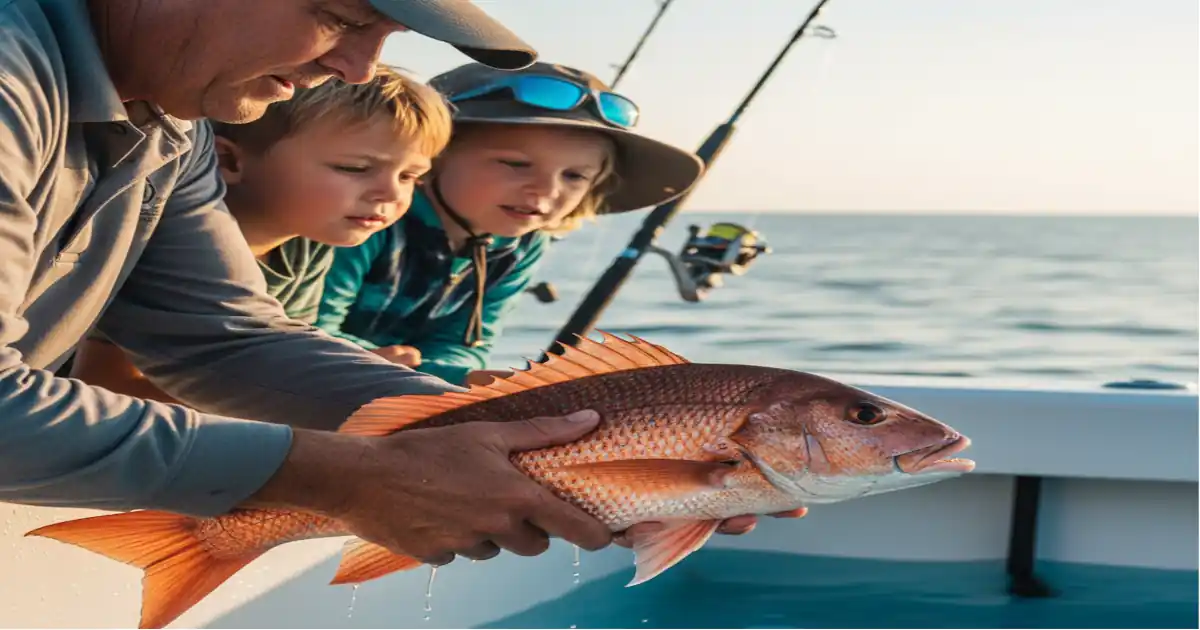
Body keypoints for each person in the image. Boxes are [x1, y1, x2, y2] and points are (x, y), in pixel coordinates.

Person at [0, 0, 779, 566]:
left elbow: (223, 340)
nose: (357, 68)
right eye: (339, 17)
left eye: (385, 35)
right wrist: (350, 477)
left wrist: (522, 436)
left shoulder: (172, 125)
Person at [68, 64, 453, 404]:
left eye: (410, 177)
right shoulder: (164, 247)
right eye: (353, 168)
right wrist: (320, 394)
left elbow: (284, 356)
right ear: (229, 160)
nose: (390, 193)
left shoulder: (307, 245)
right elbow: (105, 384)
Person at [314, 61, 705, 388]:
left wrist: (458, 375)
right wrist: (419, 371)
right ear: (432, 157)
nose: (546, 190)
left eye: (574, 176)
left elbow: (468, 341)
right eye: (515, 163)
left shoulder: (523, 243)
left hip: (396, 385)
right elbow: (308, 325)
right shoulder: (371, 215)